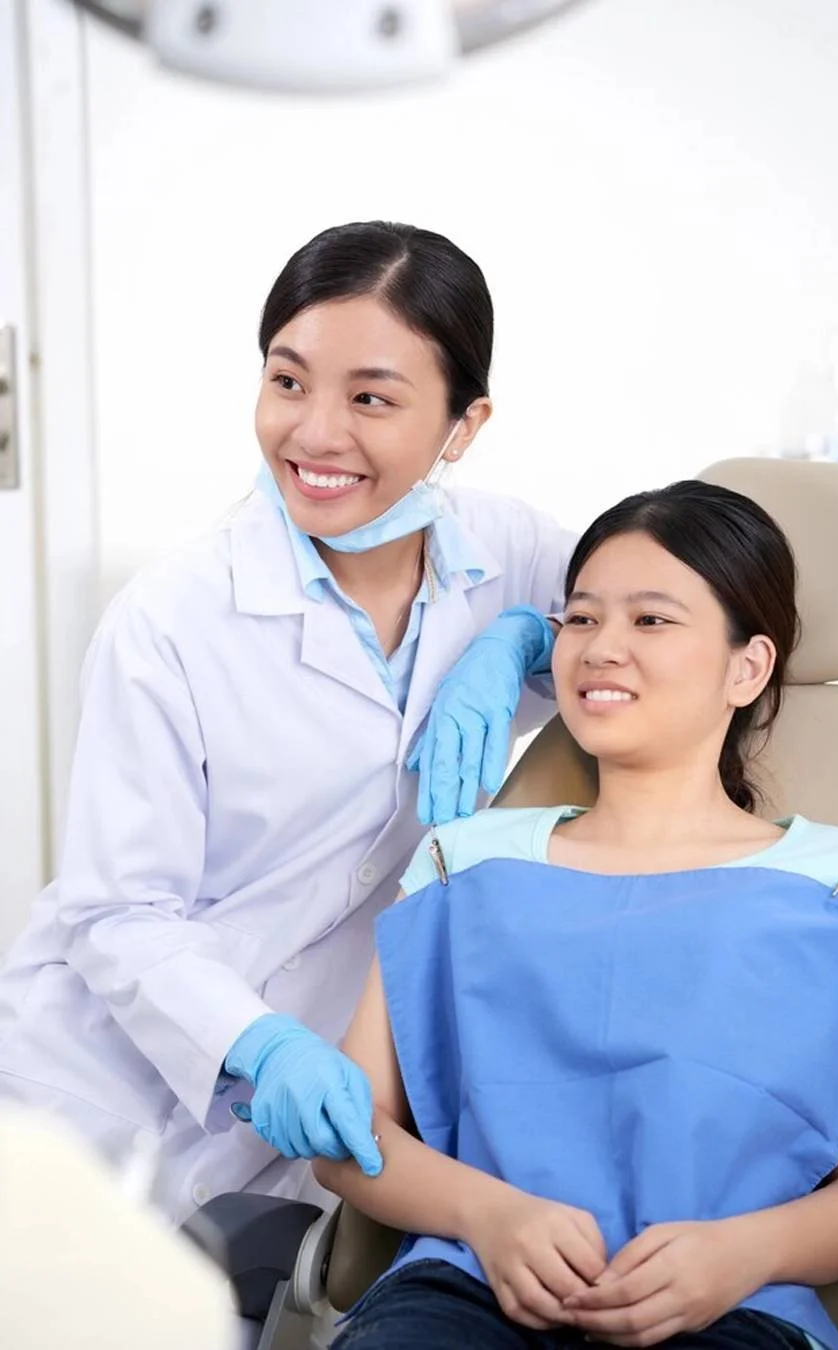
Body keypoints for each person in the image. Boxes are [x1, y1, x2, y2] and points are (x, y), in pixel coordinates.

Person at [0, 221, 576, 1223]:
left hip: (307, 1116)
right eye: (288, 381)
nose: (313, 434)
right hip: (95, 1077)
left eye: (371, 399)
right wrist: (259, 1043)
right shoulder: (172, 618)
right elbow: (117, 910)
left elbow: (688, 594)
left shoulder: (508, 549)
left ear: (462, 426)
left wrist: (524, 638)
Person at [312, 480, 838, 1350]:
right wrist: (488, 1215)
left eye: (651, 621)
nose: (602, 647)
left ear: (746, 667)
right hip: (467, 1293)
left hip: (729, 1309)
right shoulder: (467, 861)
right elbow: (349, 1132)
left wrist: (738, 1254)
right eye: (580, 619)